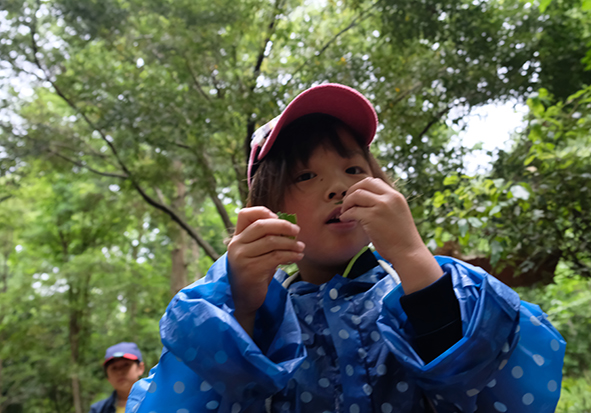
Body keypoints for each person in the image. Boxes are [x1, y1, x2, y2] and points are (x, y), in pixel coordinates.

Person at [127, 84, 565, 413]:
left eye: (353, 169)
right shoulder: (245, 314)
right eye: (306, 176)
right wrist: (241, 304)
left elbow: (493, 389)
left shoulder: (432, 286)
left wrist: (412, 257)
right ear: (269, 211)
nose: (338, 187)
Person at [90, 342, 145, 413]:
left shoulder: (155, 400)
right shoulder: (98, 410)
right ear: (107, 376)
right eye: (114, 368)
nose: (119, 372)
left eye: (126, 365)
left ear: (140, 368)